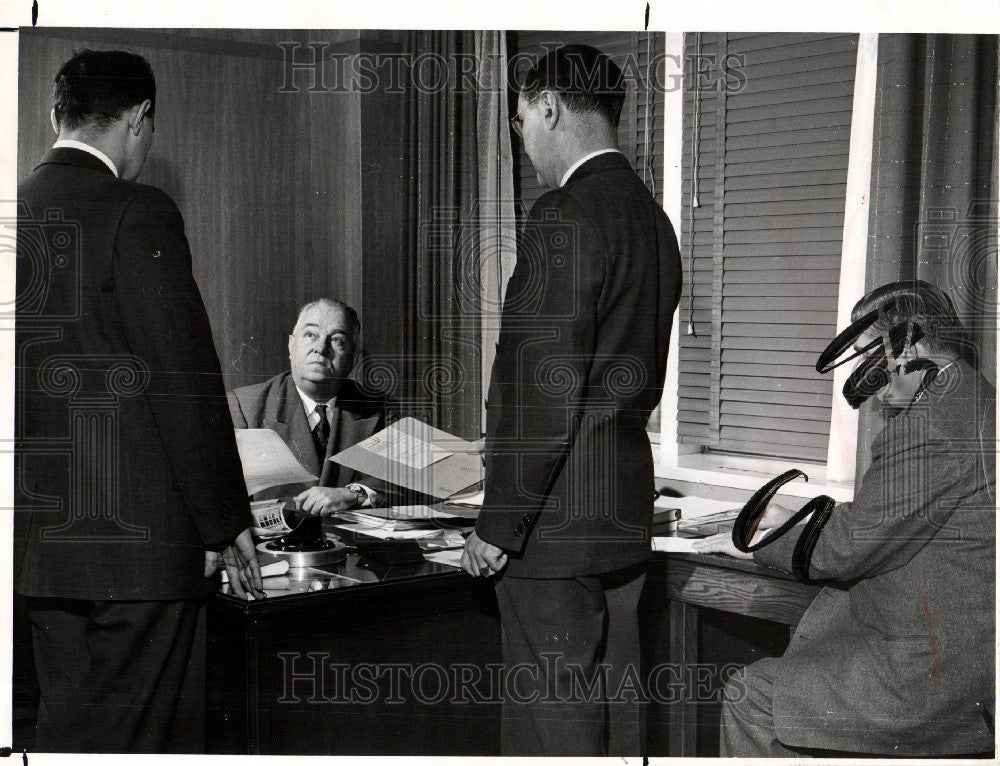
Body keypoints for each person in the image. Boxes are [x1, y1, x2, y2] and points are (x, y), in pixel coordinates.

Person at [14, 49, 263, 753]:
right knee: (147, 742)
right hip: (140, 556)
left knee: (69, 734)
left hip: (41, 552)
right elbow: (183, 379)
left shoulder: (13, 213)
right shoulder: (138, 210)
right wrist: (224, 522)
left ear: (55, 114)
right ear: (139, 119)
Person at [462, 44, 682, 756]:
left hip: (551, 534)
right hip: (620, 520)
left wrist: (498, 525)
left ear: (549, 107)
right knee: (617, 724)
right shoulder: (655, 223)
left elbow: (539, 393)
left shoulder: (562, 214)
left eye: (523, 123)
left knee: (552, 731)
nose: (524, 146)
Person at [695, 280, 995, 757]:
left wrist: (754, 540)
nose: (863, 374)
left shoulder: (933, 423)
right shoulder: (974, 398)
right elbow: (893, 518)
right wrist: (792, 517)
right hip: (962, 653)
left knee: (751, 695)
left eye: (867, 356)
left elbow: (850, 545)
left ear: (910, 344)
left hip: (929, 675)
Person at [227, 298, 402, 514]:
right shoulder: (243, 406)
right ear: (291, 345)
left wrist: (353, 494)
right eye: (310, 335)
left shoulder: (382, 409)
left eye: (337, 340)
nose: (320, 348)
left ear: (353, 359)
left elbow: (413, 477)